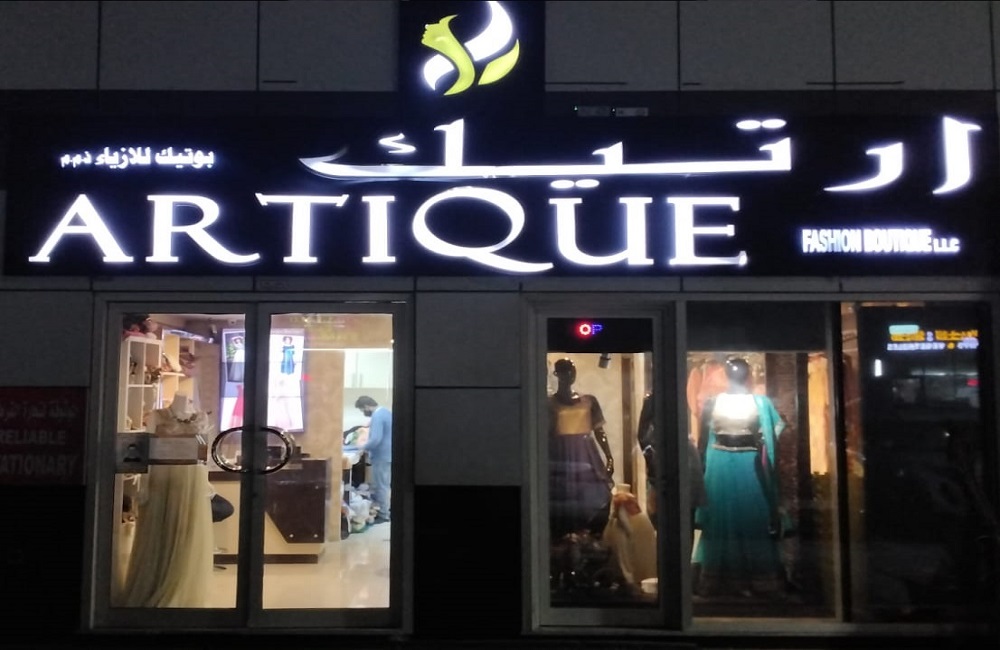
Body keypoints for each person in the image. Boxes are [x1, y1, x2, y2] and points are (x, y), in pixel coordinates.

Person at [692, 357, 786, 598]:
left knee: (752, 516)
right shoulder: (714, 403)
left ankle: (755, 580)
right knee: (722, 518)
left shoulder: (761, 403)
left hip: (747, 465)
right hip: (724, 464)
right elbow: (704, 440)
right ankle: (722, 579)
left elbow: (773, 431)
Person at [116, 393, 214, 607]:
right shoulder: (157, 416)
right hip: (162, 482)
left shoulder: (201, 418)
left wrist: (206, 486)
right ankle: (155, 585)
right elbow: (146, 454)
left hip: (191, 484)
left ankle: (182, 586)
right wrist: (143, 487)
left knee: (186, 534)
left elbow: (202, 457)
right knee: (159, 532)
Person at [548, 358, 615, 539]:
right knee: (565, 499)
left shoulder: (589, 401)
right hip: (561, 454)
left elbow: (599, 431)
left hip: (586, 454)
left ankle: (588, 538)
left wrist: (609, 457)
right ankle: (564, 541)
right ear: (557, 375)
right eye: (564, 371)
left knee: (598, 494)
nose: (569, 375)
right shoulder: (549, 404)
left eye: (572, 371)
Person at [355, 395, 392, 523]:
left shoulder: (377, 415)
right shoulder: (385, 412)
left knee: (381, 486)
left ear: (366, 406)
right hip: (388, 454)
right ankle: (385, 510)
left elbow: (376, 439)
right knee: (384, 484)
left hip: (381, 455)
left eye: (362, 410)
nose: (363, 412)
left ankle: (384, 515)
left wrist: (363, 448)